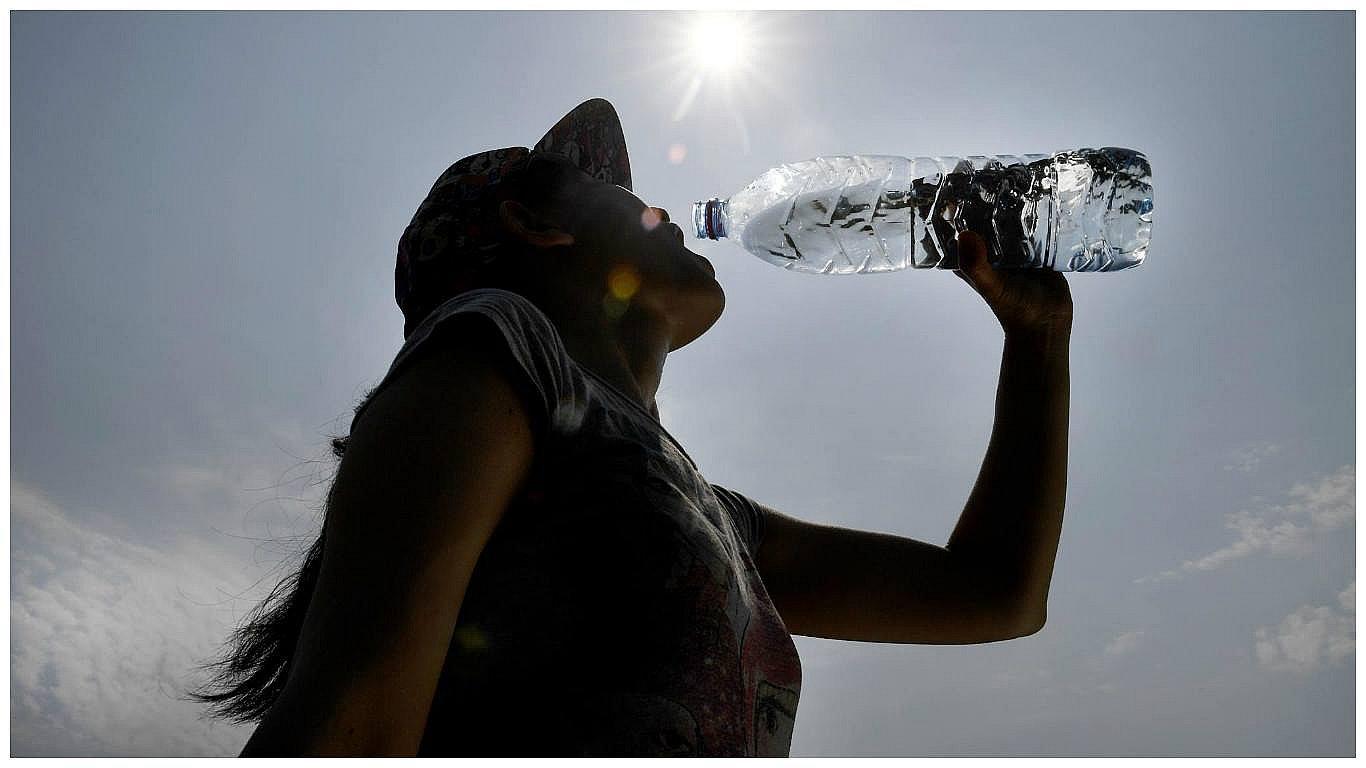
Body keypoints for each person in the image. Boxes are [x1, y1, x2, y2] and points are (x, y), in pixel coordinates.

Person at [191, 98, 1073, 757]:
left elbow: (995, 594)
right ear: (535, 225)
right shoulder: (496, 354)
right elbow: (346, 728)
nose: (658, 210)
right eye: (620, 194)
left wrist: (1036, 338)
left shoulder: (706, 513)